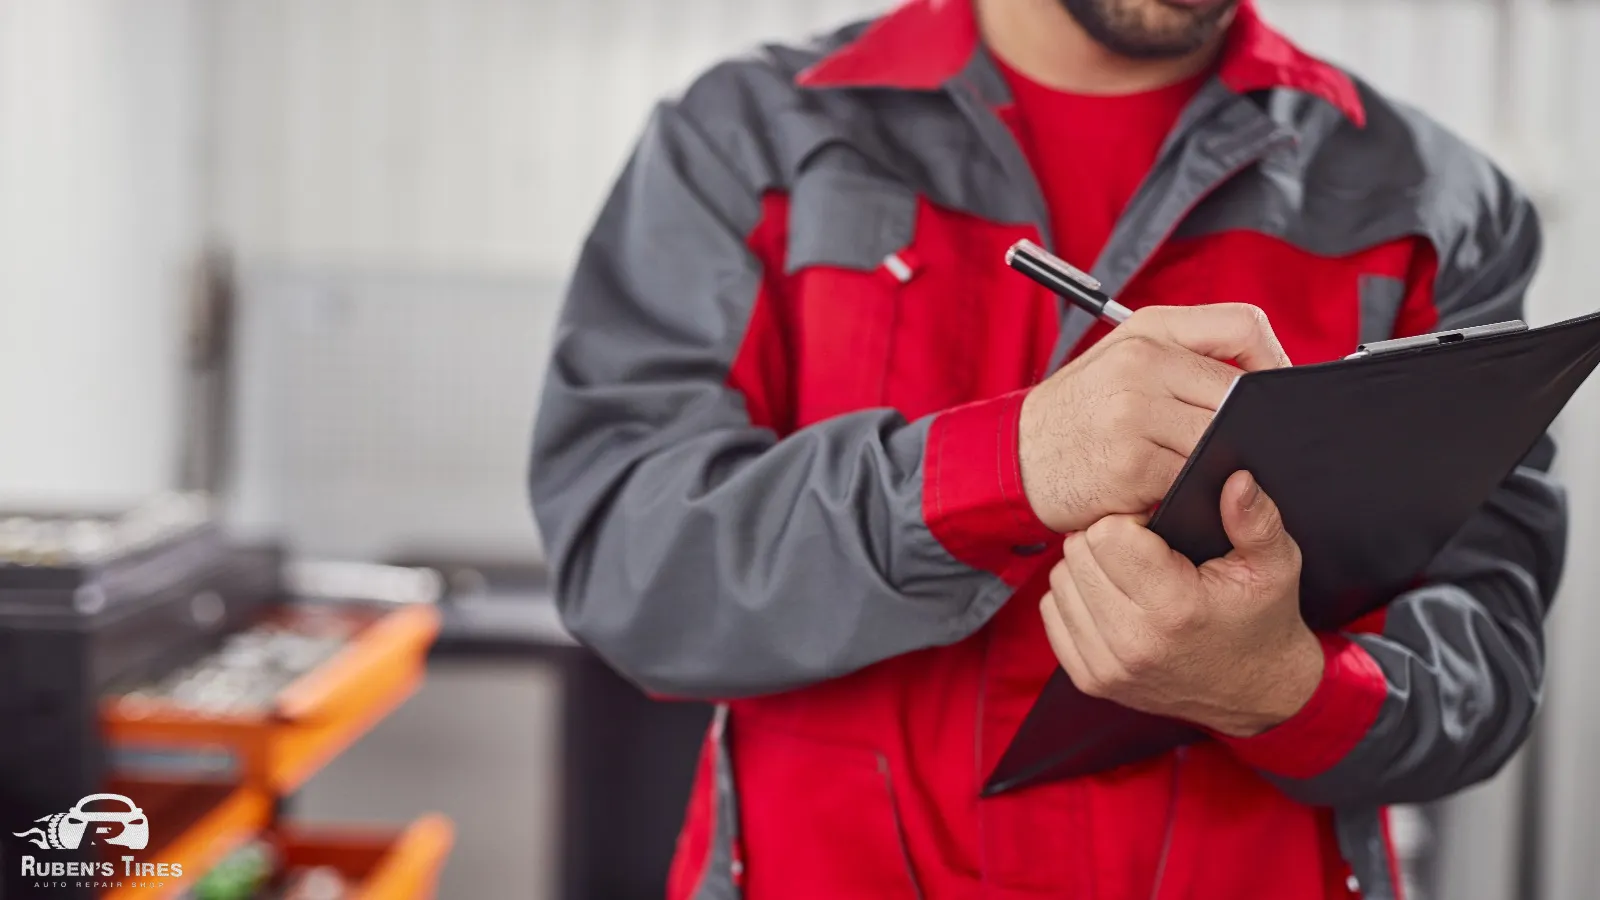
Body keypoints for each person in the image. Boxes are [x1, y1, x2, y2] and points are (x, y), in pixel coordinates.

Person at [529, 0, 1565, 897]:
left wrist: (1286, 688)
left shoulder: (1433, 208)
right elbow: (632, 569)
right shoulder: (748, 141)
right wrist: (1000, 466)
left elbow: (1486, 672)